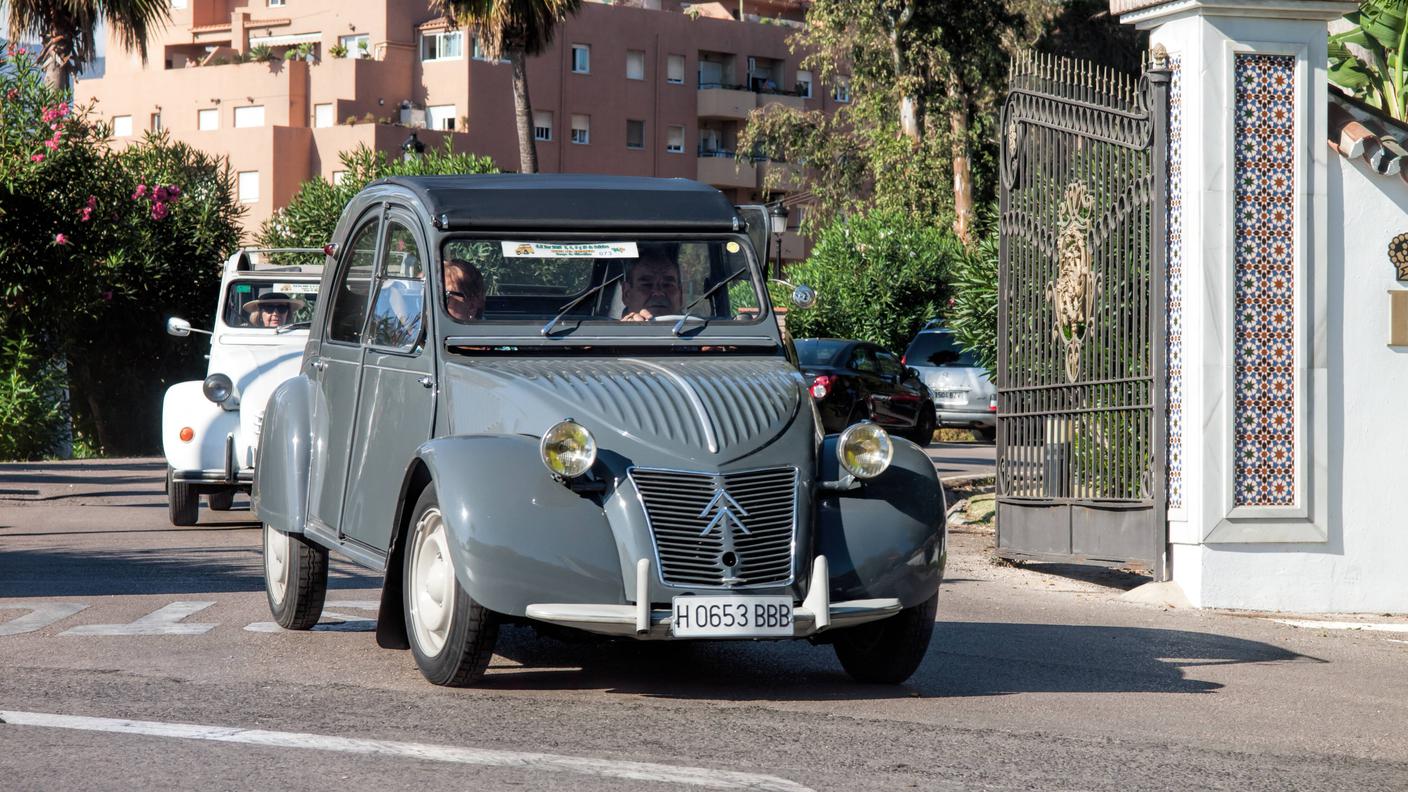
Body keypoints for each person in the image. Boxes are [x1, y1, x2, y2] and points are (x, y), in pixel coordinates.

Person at [620, 245, 682, 322]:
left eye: (667, 285)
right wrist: (627, 331)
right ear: (627, 294)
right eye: (647, 285)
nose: (658, 293)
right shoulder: (608, 332)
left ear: (680, 295)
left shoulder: (698, 329)